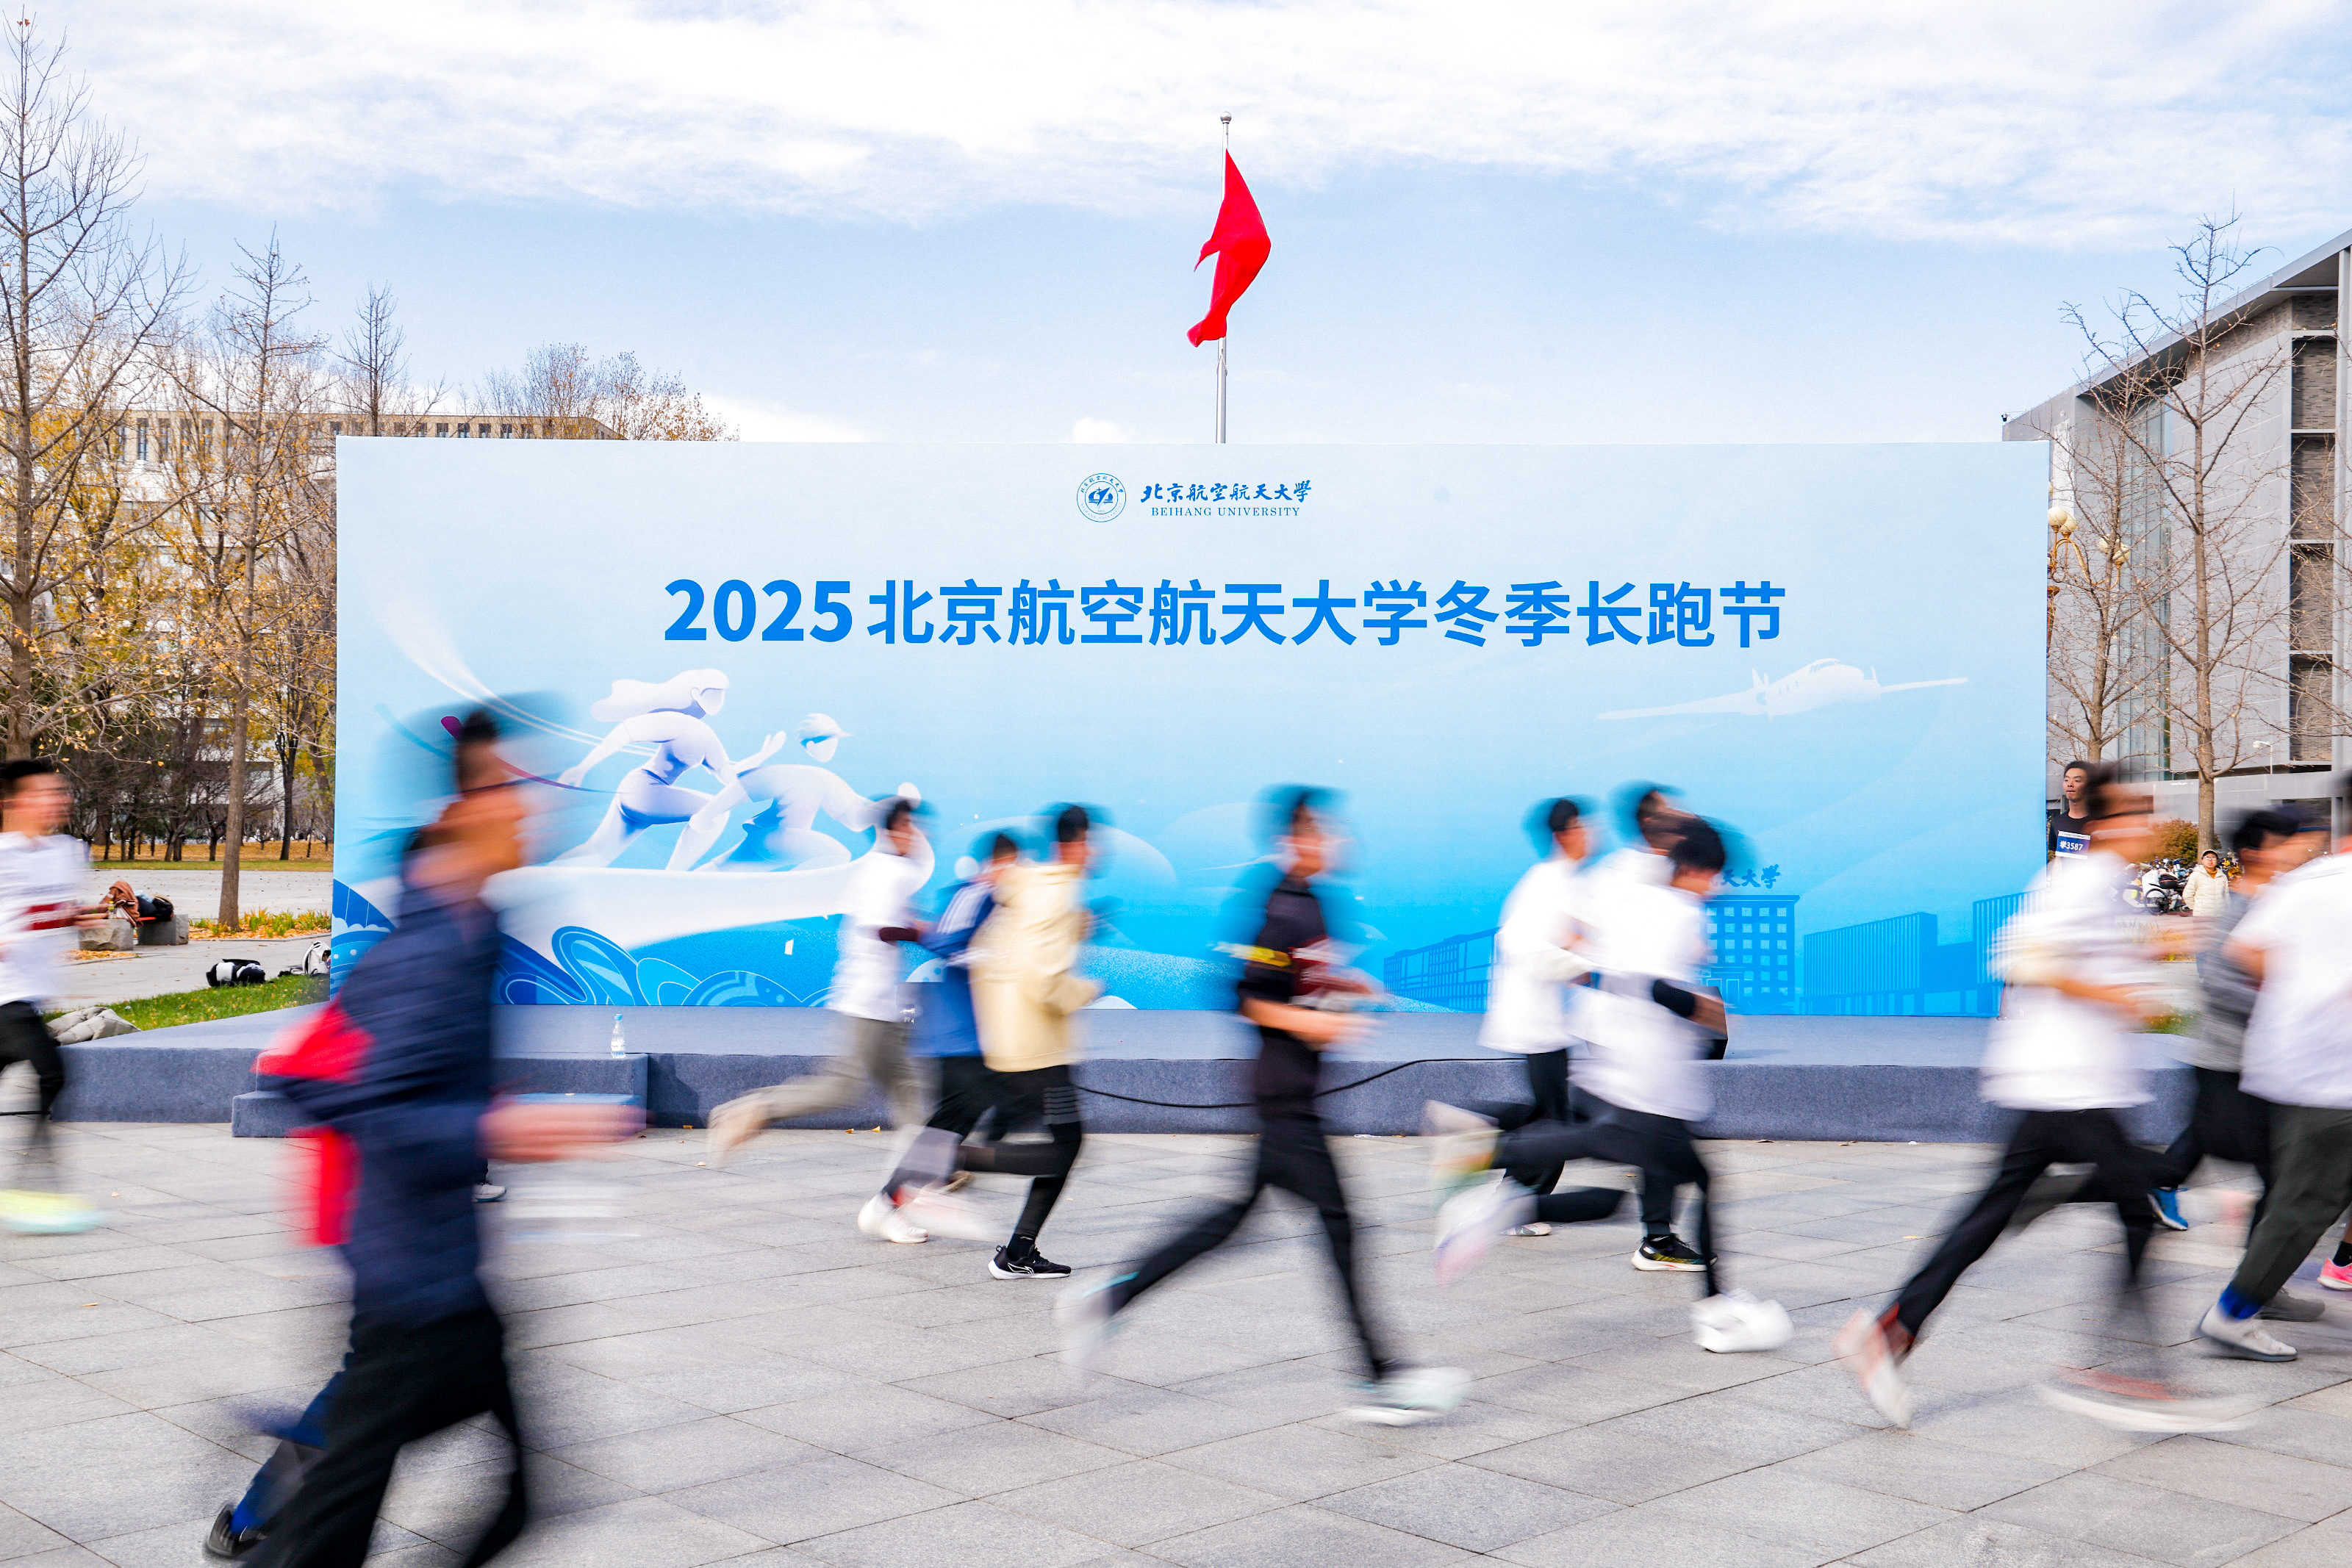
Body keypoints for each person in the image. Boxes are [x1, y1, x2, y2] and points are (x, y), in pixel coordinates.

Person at [238, 711, 636, 1568]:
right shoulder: (425, 953)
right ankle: (284, 1487)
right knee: (349, 1520)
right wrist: (493, 1125)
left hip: (445, 1271)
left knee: (513, 1493)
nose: (534, 805)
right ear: (459, 810)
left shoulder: (471, 927)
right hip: (409, 1280)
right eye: (513, 787)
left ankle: (295, 1468)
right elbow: (371, 1110)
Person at [1056, 788, 1469, 1425]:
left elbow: (1299, 977)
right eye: (1322, 831)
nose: (1335, 841)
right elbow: (1243, 995)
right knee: (1340, 1226)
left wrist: (1346, 986)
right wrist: (1315, 1024)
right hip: (1284, 1095)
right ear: (1295, 839)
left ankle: (1108, 1302)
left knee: (1232, 1222)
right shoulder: (1278, 908)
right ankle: (1378, 1378)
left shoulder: (1314, 900)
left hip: (1294, 1091)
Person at [1836, 765, 2226, 1433]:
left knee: (1988, 1220)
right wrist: (2113, 995)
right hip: (2065, 1086)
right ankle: (2125, 1372)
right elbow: (2021, 959)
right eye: (2136, 815)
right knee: (2136, 1211)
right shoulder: (2076, 883)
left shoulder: (2108, 889)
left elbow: (2093, 961)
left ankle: (1891, 1330)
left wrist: (2158, 950)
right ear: (2106, 825)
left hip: (2067, 1085)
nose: (2148, 827)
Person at [1427, 818, 1792, 1355]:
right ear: (1696, 870)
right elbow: (1656, 987)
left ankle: (1492, 1170)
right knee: (1641, 1164)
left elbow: (1607, 960)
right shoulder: (1677, 912)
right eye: (1714, 876)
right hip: (1649, 1078)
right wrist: (1706, 1010)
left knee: (1635, 1167)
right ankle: (1490, 1166)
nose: (1716, 887)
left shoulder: (1637, 900)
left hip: (1620, 1062)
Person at [879, 807, 1100, 1277]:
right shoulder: (1058, 892)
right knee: (1065, 1145)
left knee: (1064, 1142)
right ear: (1080, 843)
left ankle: (1018, 1250)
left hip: (1013, 1041)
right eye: (1093, 841)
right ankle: (950, 1164)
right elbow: (1041, 979)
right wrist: (1085, 990)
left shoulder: (1029, 887)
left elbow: (1002, 953)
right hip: (1037, 1046)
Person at [2195, 782, 2352, 1363]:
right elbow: (2233, 963)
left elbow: (2247, 951)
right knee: (2304, 1202)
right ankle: (2232, 1314)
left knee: (2302, 1197)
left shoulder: (2305, 883)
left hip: (2296, 1066)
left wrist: (2302, 993)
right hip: (2330, 1078)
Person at [706, 798, 931, 1168]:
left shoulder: (881, 870)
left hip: (876, 1002)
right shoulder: (890, 872)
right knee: (841, 1088)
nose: (917, 835)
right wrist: (924, 932)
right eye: (909, 827)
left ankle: (927, 1167)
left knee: (904, 1085)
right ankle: (755, 1110)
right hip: (867, 1001)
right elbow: (882, 929)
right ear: (891, 831)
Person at [2147, 810, 2321, 1248]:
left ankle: (2158, 1183)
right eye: (2280, 845)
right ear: (2253, 853)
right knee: (2272, 1163)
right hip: (2228, 1056)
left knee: (2220, 1140)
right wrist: (2286, 1004)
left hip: (2256, 1057)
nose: (2291, 853)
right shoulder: (2241, 908)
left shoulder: (2275, 901)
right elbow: (2221, 985)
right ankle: (2257, 1269)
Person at [0, 758, 104, 1235]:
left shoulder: (68, 853)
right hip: (7, 997)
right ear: (14, 802)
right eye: (44, 792)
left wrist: (77, 918)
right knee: (52, 1074)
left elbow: (53, 912)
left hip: (33, 995)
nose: (57, 801)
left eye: (60, 792)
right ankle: (34, 1191)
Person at [551, 670, 787, 868]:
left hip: (644, 794)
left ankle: (544, 875)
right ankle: (674, 874)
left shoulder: (706, 737)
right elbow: (626, 731)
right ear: (695, 694)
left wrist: (761, 757)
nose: (717, 699)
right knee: (714, 813)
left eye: (720, 693)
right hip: (644, 789)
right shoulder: (677, 722)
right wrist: (583, 767)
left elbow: (729, 777)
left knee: (597, 854)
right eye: (711, 693)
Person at [2047, 759, 2092, 857]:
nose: (2070, 784)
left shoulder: (2101, 823)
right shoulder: (2057, 822)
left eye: (2077, 781)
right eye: (2066, 780)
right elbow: (2058, 859)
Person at [2184, 849, 2231, 918]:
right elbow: (2187, 894)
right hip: (2202, 917)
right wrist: (2196, 908)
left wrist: (2228, 910)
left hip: (2221, 917)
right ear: (2202, 861)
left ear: (2217, 861)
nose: (2210, 860)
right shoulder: (2196, 875)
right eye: (2207, 857)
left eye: (2213, 857)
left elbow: (2226, 896)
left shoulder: (2222, 876)